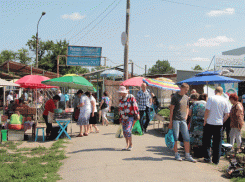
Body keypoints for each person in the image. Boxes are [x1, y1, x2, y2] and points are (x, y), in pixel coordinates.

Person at [168, 83, 196, 162]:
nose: (186, 91)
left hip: (183, 120)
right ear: (181, 88)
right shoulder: (175, 97)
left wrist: (186, 116)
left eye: (187, 90)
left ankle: (187, 155)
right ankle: (176, 154)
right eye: (185, 90)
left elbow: (187, 107)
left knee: (186, 137)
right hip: (176, 119)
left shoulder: (186, 97)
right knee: (176, 137)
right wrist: (171, 121)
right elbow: (171, 110)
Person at [202, 86, 230, 164]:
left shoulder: (211, 98)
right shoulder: (225, 100)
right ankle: (216, 160)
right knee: (217, 143)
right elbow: (227, 114)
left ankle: (207, 157)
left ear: (215, 91)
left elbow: (207, 110)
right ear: (221, 92)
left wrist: (205, 120)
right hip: (219, 124)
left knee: (207, 141)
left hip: (210, 123)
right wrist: (222, 121)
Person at [118, 86, 140, 151]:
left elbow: (135, 105)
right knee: (125, 132)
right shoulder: (121, 99)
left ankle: (131, 144)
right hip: (123, 117)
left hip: (130, 116)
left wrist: (137, 114)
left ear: (123, 92)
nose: (120, 93)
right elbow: (120, 109)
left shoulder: (130, 97)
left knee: (128, 130)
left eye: (120, 92)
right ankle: (127, 145)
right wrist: (120, 118)